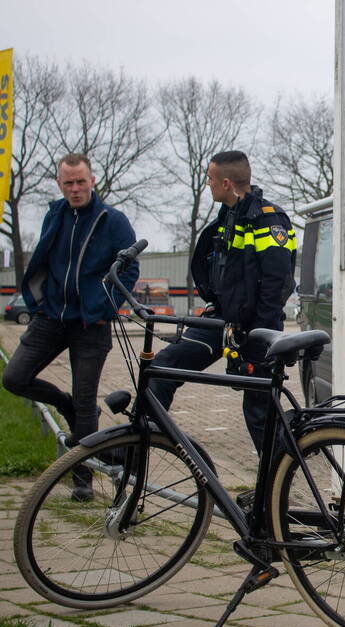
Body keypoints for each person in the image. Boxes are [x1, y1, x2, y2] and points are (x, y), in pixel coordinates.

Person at [2, 153, 139, 500]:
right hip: (51, 318)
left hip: (90, 324)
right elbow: (43, 259)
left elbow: (130, 269)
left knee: (84, 403)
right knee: (14, 378)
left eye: (81, 182)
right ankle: (66, 406)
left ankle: (83, 482)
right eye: (68, 183)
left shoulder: (112, 219)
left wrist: (104, 305)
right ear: (60, 184)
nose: (75, 189)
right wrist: (37, 302)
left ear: (92, 180)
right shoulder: (55, 215)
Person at [149, 150, 296, 453]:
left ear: (226, 183)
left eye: (210, 178)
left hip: (258, 330)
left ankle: (277, 490)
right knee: (163, 367)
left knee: (259, 414)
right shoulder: (228, 216)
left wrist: (260, 343)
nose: (207, 183)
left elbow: (276, 285)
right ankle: (140, 443)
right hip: (223, 322)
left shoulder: (269, 220)